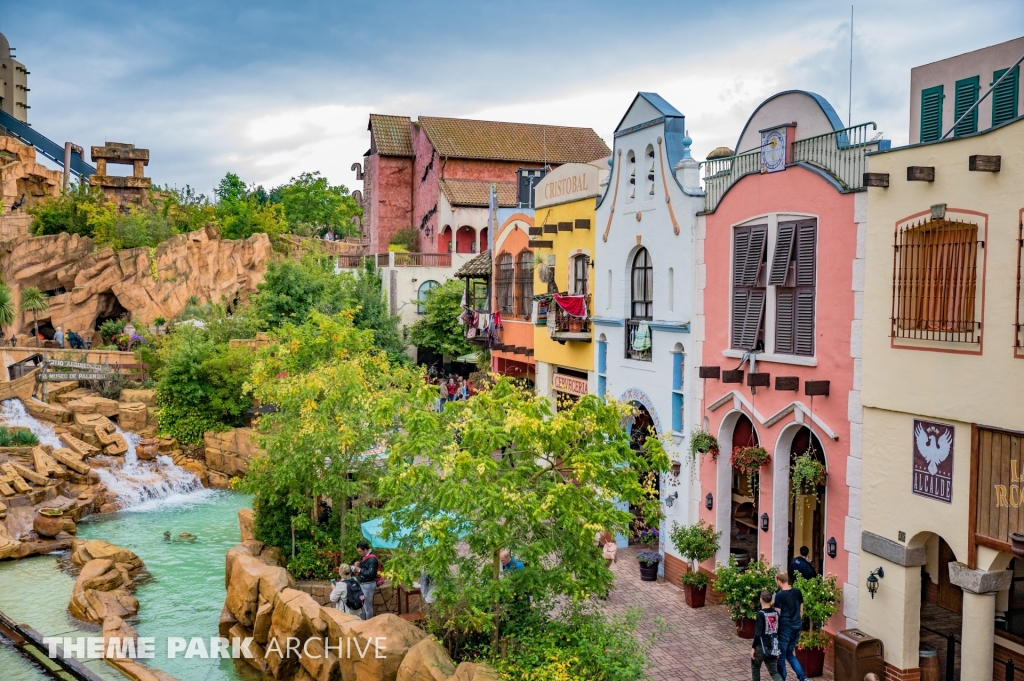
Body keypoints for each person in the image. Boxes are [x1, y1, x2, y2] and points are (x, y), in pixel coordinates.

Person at [773, 572, 806, 681]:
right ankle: (802, 678)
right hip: (796, 627)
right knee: (789, 654)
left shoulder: (779, 596)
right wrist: (798, 622)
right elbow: (801, 609)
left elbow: (777, 614)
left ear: (778, 580)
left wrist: (774, 632)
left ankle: (781, 679)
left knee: (781, 657)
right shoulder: (797, 592)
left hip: (785, 629)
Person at [751, 589, 783, 681]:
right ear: (770, 600)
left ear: (761, 599)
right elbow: (778, 631)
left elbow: (758, 634)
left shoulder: (760, 614)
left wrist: (753, 648)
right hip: (773, 646)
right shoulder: (776, 613)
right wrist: (778, 648)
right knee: (774, 672)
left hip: (761, 646)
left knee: (756, 667)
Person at [354, 540, 379, 620]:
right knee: (362, 604)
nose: (359, 553)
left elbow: (371, 573)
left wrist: (359, 570)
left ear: (365, 549)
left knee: (367, 606)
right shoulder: (365, 556)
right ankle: (363, 622)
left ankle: (369, 623)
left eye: (360, 551)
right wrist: (359, 564)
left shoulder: (372, 559)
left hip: (368, 584)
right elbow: (366, 567)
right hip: (363, 583)